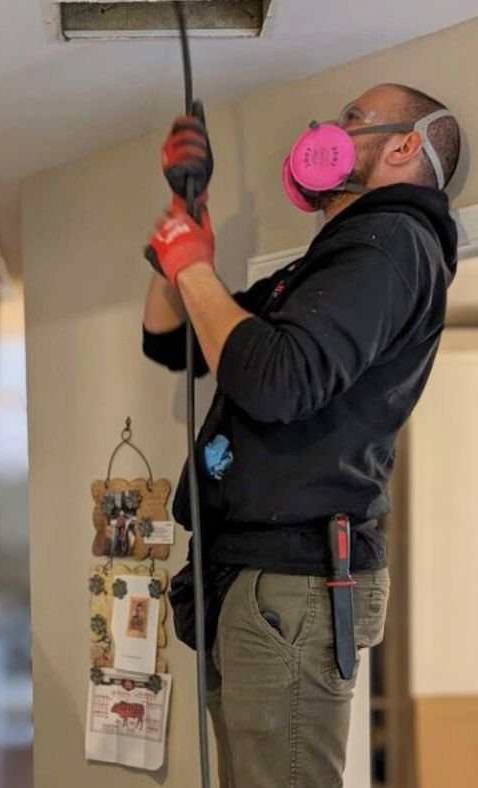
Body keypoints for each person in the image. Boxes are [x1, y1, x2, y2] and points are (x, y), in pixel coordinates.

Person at [141, 84, 461, 787]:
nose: (327, 128)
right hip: (260, 579)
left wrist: (193, 265)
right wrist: (184, 227)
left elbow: (277, 381)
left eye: (353, 120)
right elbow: (174, 342)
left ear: (405, 146)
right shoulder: (332, 262)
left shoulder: (393, 244)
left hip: (292, 580)